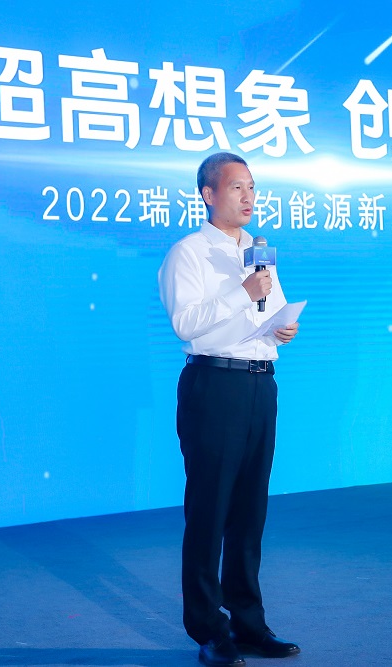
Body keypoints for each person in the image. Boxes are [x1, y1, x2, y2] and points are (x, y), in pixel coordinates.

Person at [158, 152, 301, 667]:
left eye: (252, 187)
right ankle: (208, 630)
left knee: (249, 512)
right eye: (237, 187)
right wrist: (243, 293)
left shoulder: (260, 254)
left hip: (261, 385)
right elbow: (186, 322)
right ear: (208, 194)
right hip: (214, 385)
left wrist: (283, 328)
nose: (248, 197)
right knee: (210, 510)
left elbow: (270, 312)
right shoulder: (188, 253)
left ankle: (248, 623)